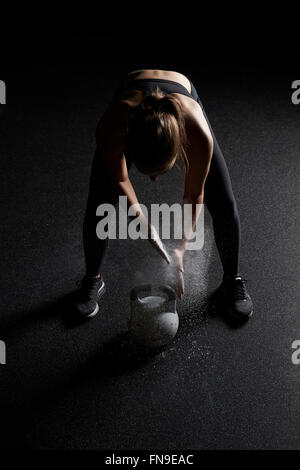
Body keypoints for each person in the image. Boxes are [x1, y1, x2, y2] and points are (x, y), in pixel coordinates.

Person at [75, 69, 253, 321]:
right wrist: (145, 224)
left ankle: (231, 280)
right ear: (130, 147)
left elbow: (193, 196)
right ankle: (91, 279)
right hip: (130, 92)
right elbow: (121, 178)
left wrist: (180, 248)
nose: (155, 180)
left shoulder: (197, 134)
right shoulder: (113, 127)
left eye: (160, 173)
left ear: (180, 149)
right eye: (149, 174)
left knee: (223, 199)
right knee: (100, 199)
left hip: (182, 92)